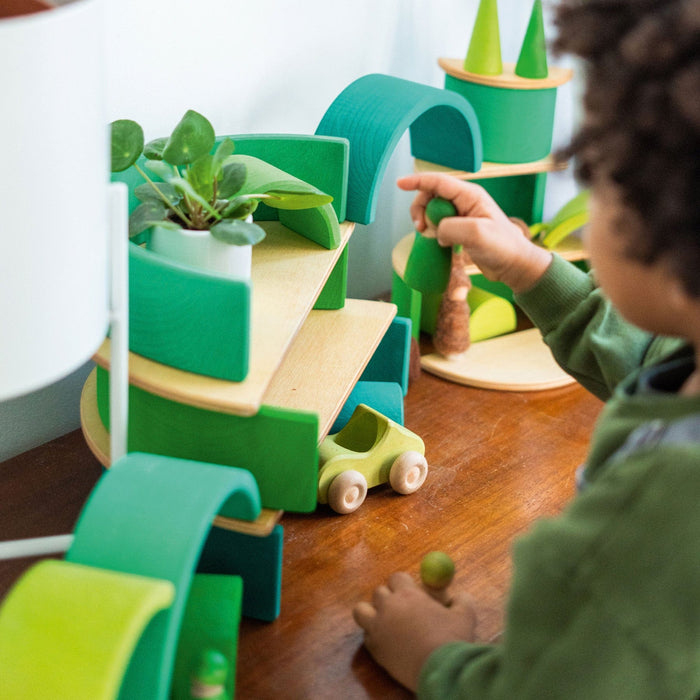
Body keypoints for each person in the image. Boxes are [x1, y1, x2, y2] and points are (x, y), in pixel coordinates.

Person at [353, 0, 700, 697]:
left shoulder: (665, 507)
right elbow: (646, 362)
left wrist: (437, 659)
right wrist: (526, 267)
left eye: (594, 174)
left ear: (663, 221)